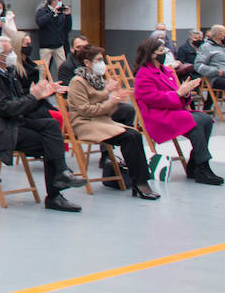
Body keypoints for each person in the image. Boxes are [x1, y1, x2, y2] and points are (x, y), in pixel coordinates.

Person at [0, 36, 84, 211]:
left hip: (14, 123)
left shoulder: (7, 72)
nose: (13, 55)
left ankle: (61, 172)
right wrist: (34, 97)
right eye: (9, 52)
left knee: (51, 125)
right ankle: (55, 193)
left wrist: (42, 95)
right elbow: (6, 108)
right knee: (49, 142)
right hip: (0, 130)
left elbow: (20, 102)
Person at [65, 46, 158, 200]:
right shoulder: (77, 82)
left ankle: (142, 181)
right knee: (129, 137)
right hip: (85, 124)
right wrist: (110, 99)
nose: (102, 63)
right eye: (99, 60)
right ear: (87, 62)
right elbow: (85, 110)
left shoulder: (97, 79)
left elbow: (103, 106)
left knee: (134, 134)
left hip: (102, 121)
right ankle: (140, 183)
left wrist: (115, 99)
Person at [132, 37, 222, 184]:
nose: (164, 54)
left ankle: (195, 164)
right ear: (152, 54)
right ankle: (202, 166)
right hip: (157, 115)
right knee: (195, 122)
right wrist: (178, 94)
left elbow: (176, 92)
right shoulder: (144, 74)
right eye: (161, 51)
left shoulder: (166, 70)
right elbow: (152, 98)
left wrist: (185, 92)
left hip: (172, 111)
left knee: (205, 119)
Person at [194, 25, 225, 105]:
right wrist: (216, 71)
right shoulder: (206, 47)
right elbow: (198, 65)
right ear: (218, 35)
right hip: (216, 77)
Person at [35, 0, 72, 77]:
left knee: (63, 68)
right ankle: (43, 86)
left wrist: (68, 15)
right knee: (43, 70)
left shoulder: (61, 13)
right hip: (46, 46)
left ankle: (63, 85)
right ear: (53, 1)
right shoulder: (42, 11)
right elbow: (40, 22)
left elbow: (68, 28)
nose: (60, 2)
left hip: (59, 45)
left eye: (60, 0)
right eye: (58, 0)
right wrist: (52, 14)